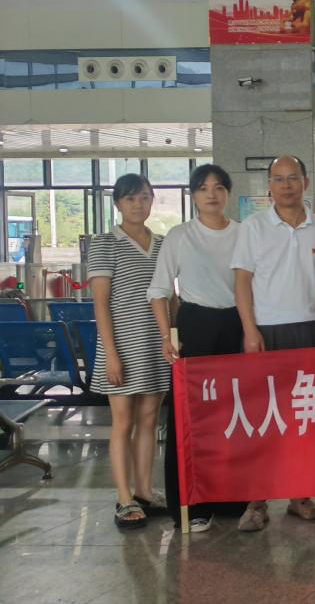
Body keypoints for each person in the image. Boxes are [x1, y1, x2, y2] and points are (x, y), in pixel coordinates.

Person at [230, 155, 315, 532]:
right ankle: (257, 501)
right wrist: (250, 330)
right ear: (269, 186)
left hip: (311, 331)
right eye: (278, 179)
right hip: (266, 333)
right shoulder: (254, 227)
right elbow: (242, 282)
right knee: (264, 419)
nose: (286, 185)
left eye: (293, 178)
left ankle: (299, 495)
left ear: (305, 182)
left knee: (304, 420)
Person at [148, 164, 241, 533]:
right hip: (195, 327)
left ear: (228, 192)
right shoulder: (180, 236)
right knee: (191, 419)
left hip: (236, 326)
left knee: (235, 415)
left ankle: (232, 497)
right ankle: (191, 503)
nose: (211, 194)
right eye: (203, 188)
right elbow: (158, 290)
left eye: (218, 187)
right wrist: (166, 336)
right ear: (193, 195)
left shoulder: (243, 234)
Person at [90, 174, 170, 530]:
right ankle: (124, 498)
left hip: (155, 344)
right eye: (130, 199)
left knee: (150, 419)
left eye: (145, 197)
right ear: (118, 204)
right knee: (123, 421)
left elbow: (168, 295)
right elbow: (101, 303)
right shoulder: (105, 244)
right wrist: (111, 354)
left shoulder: (163, 244)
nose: (139, 204)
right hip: (121, 344)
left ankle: (145, 491)